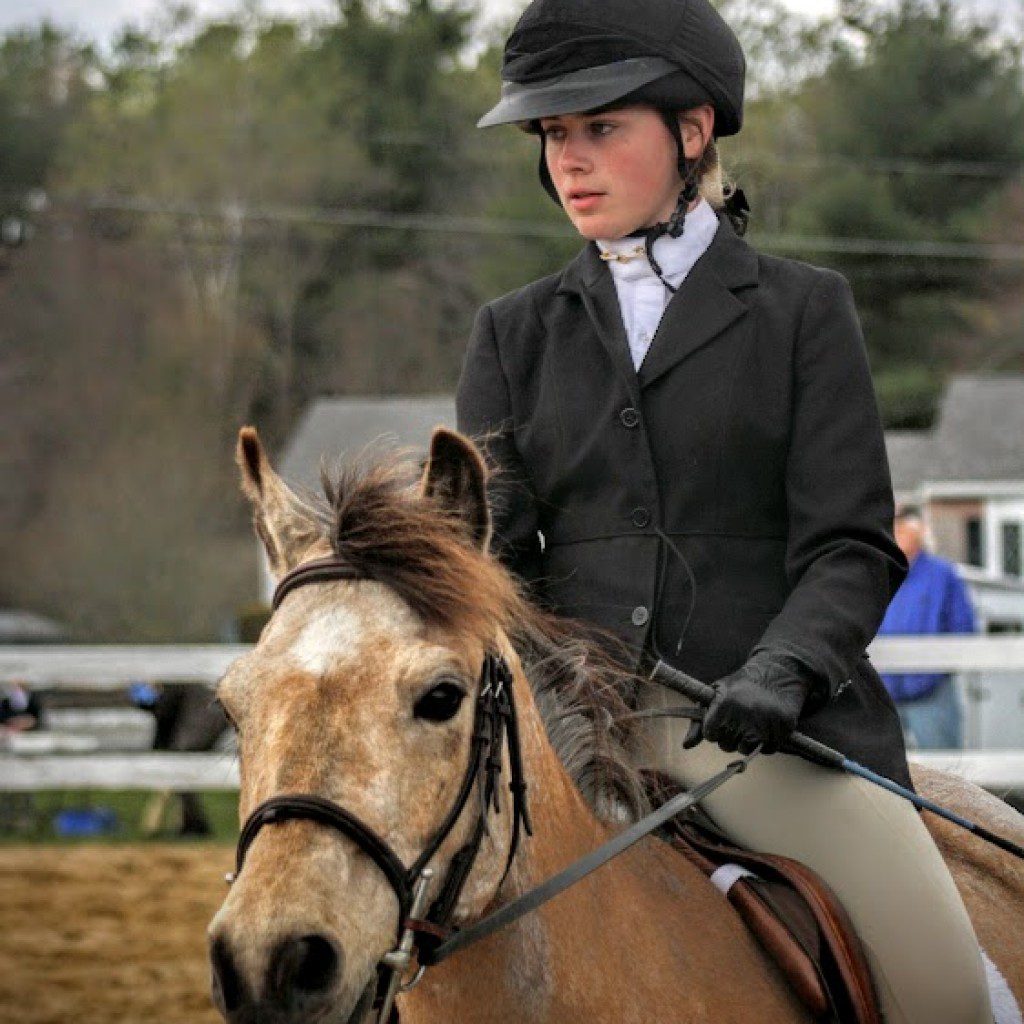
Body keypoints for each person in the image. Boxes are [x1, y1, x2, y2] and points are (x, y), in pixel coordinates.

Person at [456, 0, 993, 1020]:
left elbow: (848, 544)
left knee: (944, 992)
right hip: (573, 743)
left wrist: (781, 670)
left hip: (760, 739)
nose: (569, 159)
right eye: (553, 134)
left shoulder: (801, 312)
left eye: (600, 128)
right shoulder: (510, 336)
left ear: (692, 131)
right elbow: (494, 559)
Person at [879, 506, 977, 749]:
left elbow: (964, 628)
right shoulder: (879, 573)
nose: (899, 533)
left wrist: (938, 671)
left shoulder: (943, 575)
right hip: (884, 696)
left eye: (905, 527)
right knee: (881, 777)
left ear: (921, 531)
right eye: (895, 527)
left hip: (933, 695)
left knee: (943, 771)